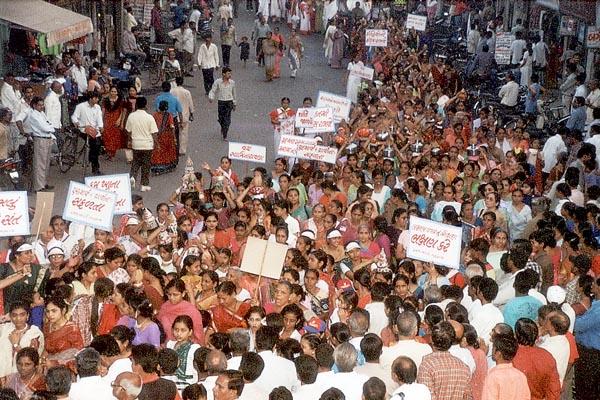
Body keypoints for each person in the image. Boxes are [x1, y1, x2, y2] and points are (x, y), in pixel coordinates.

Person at [416, 321, 471, 400]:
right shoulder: (464, 368)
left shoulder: (427, 365)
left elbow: (426, 397)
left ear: (431, 339)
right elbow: (468, 397)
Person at [126, 96, 159, 192]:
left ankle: (132, 177)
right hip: (147, 145)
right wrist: (157, 144)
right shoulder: (149, 117)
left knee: (135, 162)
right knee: (146, 165)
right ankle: (144, 185)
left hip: (136, 144)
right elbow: (154, 133)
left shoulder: (131, 116)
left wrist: (129, 141)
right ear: (145, 105)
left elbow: (128, 131)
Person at [482, 335, 530, 400]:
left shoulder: (493, 376)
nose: (491, 351)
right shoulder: (521, 376)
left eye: (493, 348)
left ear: (498, 353)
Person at [25, 96, 55, 192]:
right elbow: (45, 128)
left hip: (47, 138)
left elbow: (49, 124)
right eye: (39, 105)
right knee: (40, 163)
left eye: (42, 105)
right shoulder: (33, 115)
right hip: (40, 139)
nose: (42, 107)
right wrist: (50, 127)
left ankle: (44, 183)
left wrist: (50, 127)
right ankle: (38, 186)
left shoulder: (41, 113)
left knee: (46, 163)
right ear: (34, 105)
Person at [71, 91, 104, 175]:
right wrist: (76, 122)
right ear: (90, 99)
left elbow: (99, 118)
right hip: (84, 129)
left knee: (98, 145)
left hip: (94, 130)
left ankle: (92, 160)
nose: (97, 100)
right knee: (95, 144)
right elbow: (74, 116)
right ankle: (95, 167)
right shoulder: (80, 106)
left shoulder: (97, 107)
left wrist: (100, 126)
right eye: (95, 98)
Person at [209, 67, 237, 142]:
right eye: (228, 73)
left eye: (230, 73)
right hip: (221, 102)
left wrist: (234, 103)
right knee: (221, 118)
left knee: (227, 119)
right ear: (223, 74)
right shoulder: (218, 82)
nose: (230, 75)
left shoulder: (232, 83)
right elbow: (213, 90)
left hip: (229, 102)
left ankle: (225, 134)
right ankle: (222, 127)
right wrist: (211, 97)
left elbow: (234, 93)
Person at [151, 100, 177, 175]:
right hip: (167, 136)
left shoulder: (155, 115)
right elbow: (172, 127)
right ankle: (167, 165)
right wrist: (174, 138)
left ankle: (156, 167)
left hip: (157, 136)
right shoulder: (168, 115)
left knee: (158, 150)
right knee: (167, 150)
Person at [101, 86, 127, 160]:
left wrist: (120, 121)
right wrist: (101, 122)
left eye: (115, 92)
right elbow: (103, 111)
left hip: (116, 121)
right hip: (107, 120)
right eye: (112, 91)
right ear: (110, 92)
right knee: (106, 137)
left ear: (117, 92)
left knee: (115, 137)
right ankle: (109, 152)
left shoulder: (120, 101)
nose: (113, 93)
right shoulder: (105, 100)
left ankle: (112, 154)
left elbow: (122, 111)